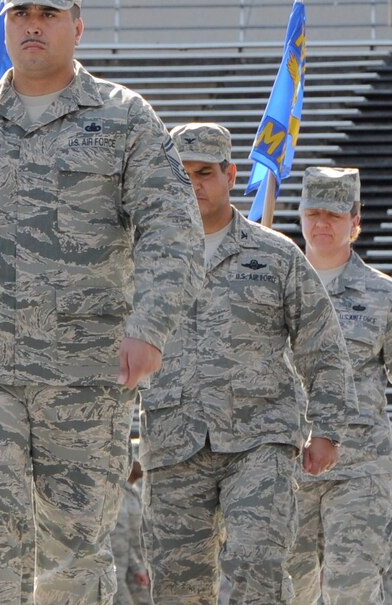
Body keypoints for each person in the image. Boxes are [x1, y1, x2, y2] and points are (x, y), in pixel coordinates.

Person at [0, 0, 205, 603]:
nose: (33, 26)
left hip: (87, 371)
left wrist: (150, 328)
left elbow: (172, 229)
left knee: (74, 548)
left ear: (78, 26)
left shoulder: (124, 120)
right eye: (20, 14)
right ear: (3, 25)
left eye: (49, 14)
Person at [139, 123, 356, 603]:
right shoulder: (145, 255)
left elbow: (321, 344)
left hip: (261, 437)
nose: (194, 184)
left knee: (255, 567)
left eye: (205, 173)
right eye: (182, 173)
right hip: (175, 440)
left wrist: (327, 429)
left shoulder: (276, 255)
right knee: (178, 584)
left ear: (230, 174)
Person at [284, 166, 392, 603]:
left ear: (356, 222)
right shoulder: (273, 288)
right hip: (285, 466)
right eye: (313, 212)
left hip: (360, 468)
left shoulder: (383, 296)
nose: (322, 223)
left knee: (353, 587)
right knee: (285, 589)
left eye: (334, 214)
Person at [109, 457, 149, 605]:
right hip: (116, 568)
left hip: (132, 567)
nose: (142, 463)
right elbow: (118, 535)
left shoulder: (133, 492)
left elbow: (133, 534)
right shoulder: (117, 493)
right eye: (138, 458)